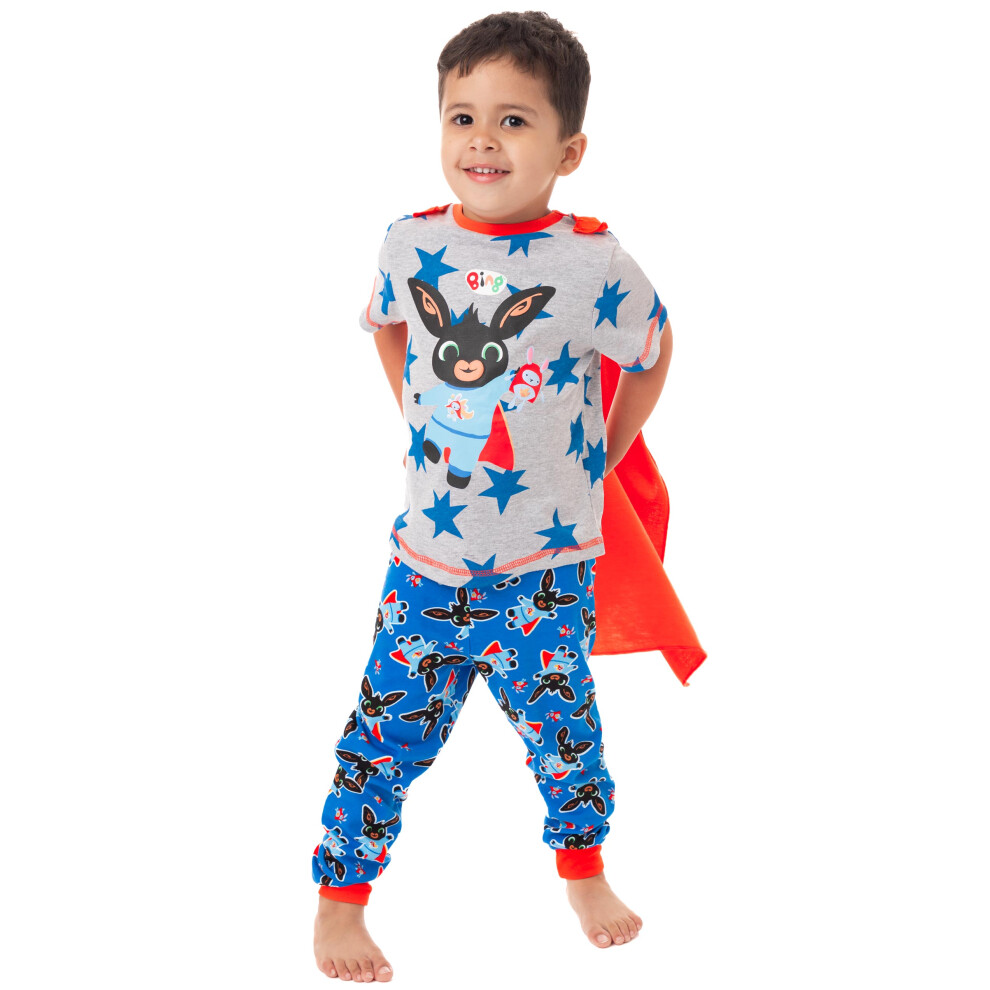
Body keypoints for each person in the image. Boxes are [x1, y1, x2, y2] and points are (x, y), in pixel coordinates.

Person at [313, 11, 701, 982]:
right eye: (463, 117)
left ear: (569, 151)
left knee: (568, 736)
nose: (482, 140)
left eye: (514, 121)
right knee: (380, 736)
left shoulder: (591, 262)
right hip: (426, 570)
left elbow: (654, 349)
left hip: (544, 572)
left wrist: (610, 448)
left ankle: (584, 872)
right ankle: (340, 901)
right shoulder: (410, 243)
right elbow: (387, 325)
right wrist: (414, 406)